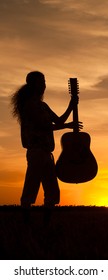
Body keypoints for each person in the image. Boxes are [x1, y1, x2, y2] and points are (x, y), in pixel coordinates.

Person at [11, 71, 82, 211]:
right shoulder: (29, 106)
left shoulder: (43, 106)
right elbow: (45, 126)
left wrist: (71, 105)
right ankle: (26, 223)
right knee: (31, 189)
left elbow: (59, 121)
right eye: (41, 81)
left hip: (47, 153)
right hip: (36, 152)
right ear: (32, 84)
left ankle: (45, 225)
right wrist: (67, 126)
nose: (44, 85)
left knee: (52, 192)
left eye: (44, 81)